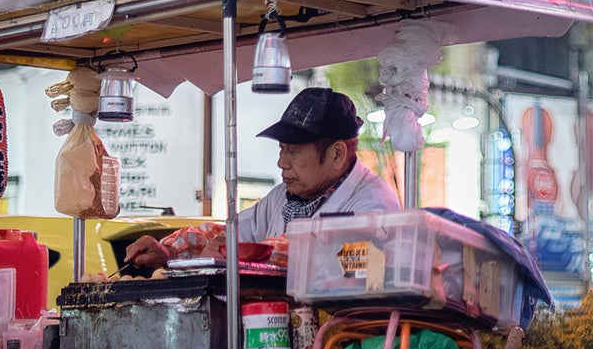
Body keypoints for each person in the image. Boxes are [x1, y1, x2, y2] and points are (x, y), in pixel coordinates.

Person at [124, 87, 402, 268]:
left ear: (337, 154)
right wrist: (169, 250)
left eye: (292, 151)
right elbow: (230, 234)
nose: (281, 162)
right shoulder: (281, 197)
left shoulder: (374, 205)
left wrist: (247, 253)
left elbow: (345, 264)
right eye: (281, 150)